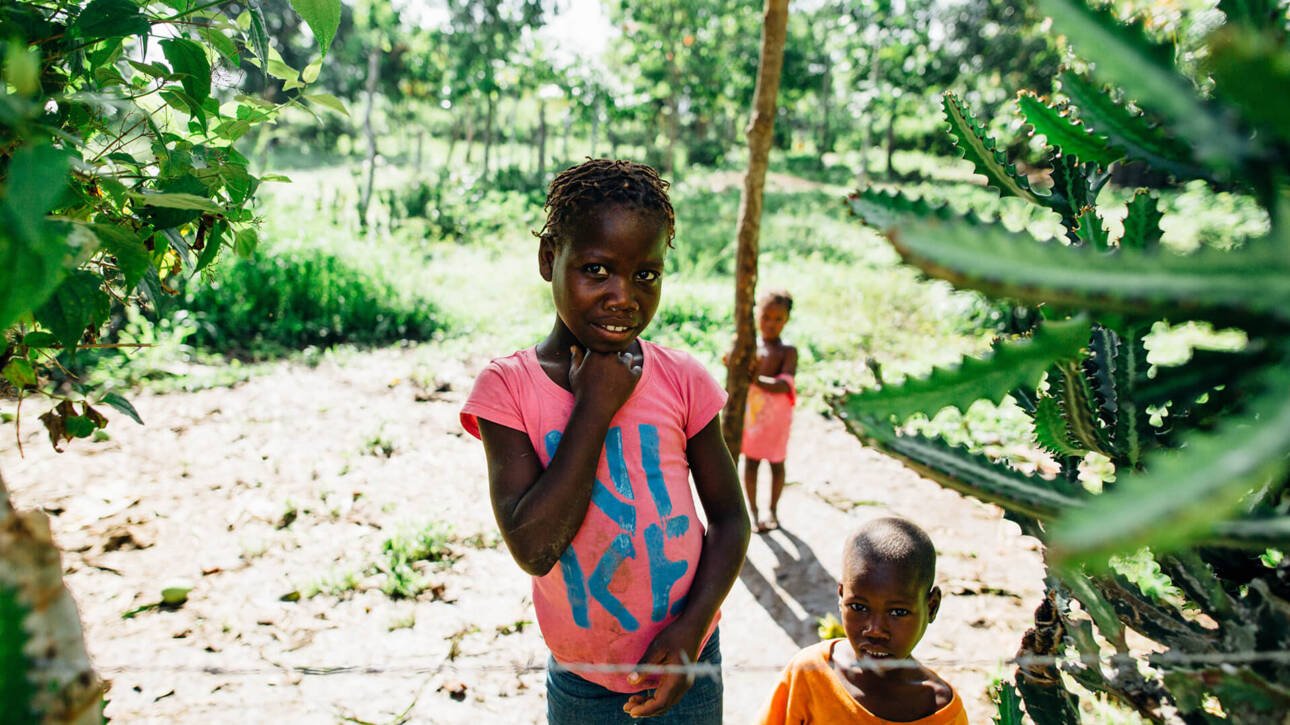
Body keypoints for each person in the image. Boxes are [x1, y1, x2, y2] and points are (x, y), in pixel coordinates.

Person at [459, 159, 750, 723]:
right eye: (596, 270)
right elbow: (533, 549)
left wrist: (692, 631)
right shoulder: (507, 389)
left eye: (646, 275)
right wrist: (594, 405)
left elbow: (731, 520)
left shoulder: (682, 380)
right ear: (549, 259)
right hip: (582, 682)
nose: (623, 297)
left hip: (687, 662)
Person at [757, 517, 968, 724]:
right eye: (859, 607)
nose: (875, 630)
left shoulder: (943, 713)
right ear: (841, 597)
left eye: (897, 612)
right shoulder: (809, 674)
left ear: (931, 607)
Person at [742, 290, 797, 533]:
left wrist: (757, 380)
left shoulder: (787, 351)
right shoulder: (750, 346)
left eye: (778, 319)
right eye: (766, 317)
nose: (771, 324)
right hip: (754, 417)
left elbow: (785, 384)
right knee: (751, 462)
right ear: (757, 315)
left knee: (776, 463)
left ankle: (773, 510)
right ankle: (753, 512)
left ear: (786, 320)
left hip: (777, 420)